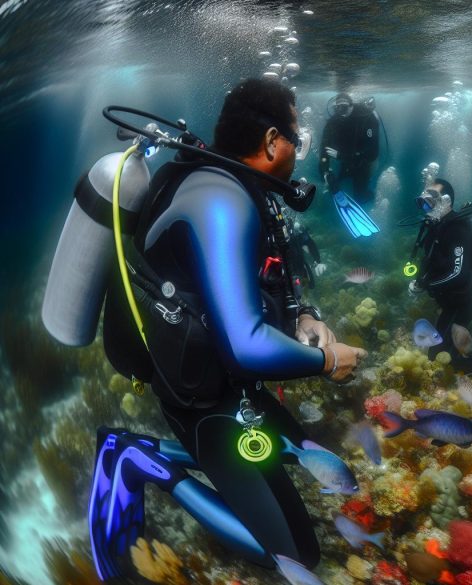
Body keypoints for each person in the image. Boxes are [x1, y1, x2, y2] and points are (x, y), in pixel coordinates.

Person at [91, 78, 367, 578]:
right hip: (198, 396)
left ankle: (168, 452)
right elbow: (244, 346)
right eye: (297, 139)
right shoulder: (221, 200)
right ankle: (136, 457)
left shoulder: (227, 180)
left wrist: (306, 318)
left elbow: (264, 282)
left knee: (299, 453)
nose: (300, 152)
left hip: (216, 374)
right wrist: (328, 360)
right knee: (296, 557)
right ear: (270, 142)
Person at [408, 179, 472, 363]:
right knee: (441, 355)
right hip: (448, 302)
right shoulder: (435, 226)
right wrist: (419, 281)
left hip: (460, 304)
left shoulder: (457, 229)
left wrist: (426, 285)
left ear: (447, 201)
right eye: (424, 199)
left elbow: (459, 274)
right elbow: (428, 260)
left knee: (439, 358)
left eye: (432, 198)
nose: (427, 204)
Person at [319, 93, 381, 205]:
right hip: (346, 162)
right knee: (331, 187)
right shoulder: (333, 122)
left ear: (352, 106)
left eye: (344, 107)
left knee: (360, 198)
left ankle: (372, 196)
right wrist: (326, 172)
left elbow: (372, 153)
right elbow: (324, 148)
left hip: (363, 163)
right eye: (337, 108)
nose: (340, 111)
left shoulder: (367, 117)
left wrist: (342, 156)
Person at [283, 208, 326, 293]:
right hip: (285, 272)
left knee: (308, 284)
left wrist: (318, 261)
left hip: (297, 268)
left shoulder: (295, 233)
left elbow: (309, 243)